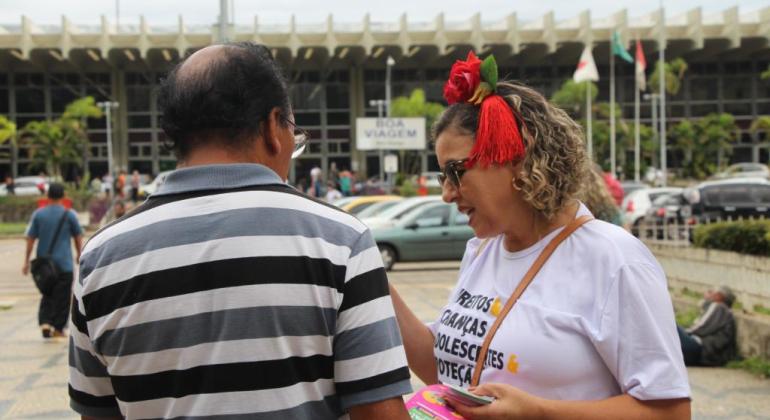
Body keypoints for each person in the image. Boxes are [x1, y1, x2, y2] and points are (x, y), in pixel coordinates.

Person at [68, 42, 411, 420]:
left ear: (174, 134)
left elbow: (96, 414)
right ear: (272, 127)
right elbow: (380, 413)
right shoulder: (341, 242)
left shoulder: (101, 259)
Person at [389, 52, 690, 419]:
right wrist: (371, 280)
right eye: (443, 176)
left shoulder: (615, 259)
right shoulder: (483, 250)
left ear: (516, 155)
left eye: (456, 171)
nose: (447, 194)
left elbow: (671, 412)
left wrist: (540, 413)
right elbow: (450, 372)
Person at [22, 182, 83, 338]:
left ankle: (45, 322)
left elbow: (30, 238)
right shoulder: (69, 215)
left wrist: (26, 260)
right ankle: (58, 328)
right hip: (64, 264)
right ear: (63, 197)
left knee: (47, 293)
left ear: (47, 196)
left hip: (44, 264)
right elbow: (77, 236)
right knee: (62, 298)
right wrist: (79, 254)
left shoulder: (38, 214)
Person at [678, 286, 737, 367]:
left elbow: (701, 328)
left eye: (710, 292)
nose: (706, 294)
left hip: (702, 350)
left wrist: (681, 333)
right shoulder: (721, 309)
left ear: (718, 296)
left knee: (672, 327)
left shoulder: (718, 306)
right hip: (705, 353)